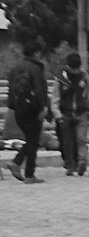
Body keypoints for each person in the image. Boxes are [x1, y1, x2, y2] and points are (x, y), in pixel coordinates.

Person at [6, 51, 51, 183]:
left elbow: (11, 88)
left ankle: (18, 163)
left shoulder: (15, 68)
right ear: (37, 53)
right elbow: (39, 89)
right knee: (34, 140)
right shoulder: (36, 68)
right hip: (33, 109)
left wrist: (12, 105)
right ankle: (28, 173)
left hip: (18, 109)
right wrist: (43, 107)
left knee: (31, 140)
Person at [55, 53, 89, 176]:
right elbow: (55, 96)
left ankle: (82, 162)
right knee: (67, 141)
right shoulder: (61, 79)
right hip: (65, 112)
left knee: (81, 139)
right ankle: (70, 165)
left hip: (81, 112)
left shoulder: (85, 77)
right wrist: (57, 113)